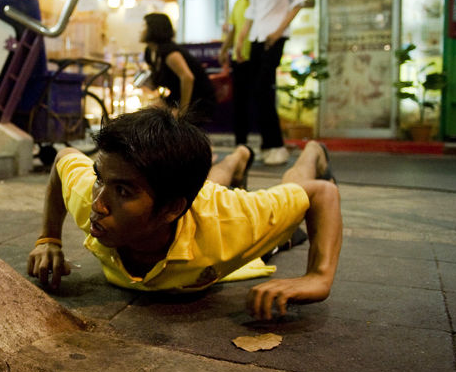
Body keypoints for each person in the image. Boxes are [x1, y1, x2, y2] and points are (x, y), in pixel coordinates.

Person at [27, 107, 341, 321]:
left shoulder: (234, 220)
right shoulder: (94, 193)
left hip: (210, 213)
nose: (98, 204)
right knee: (200, 185)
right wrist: (49, 238)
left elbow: (321, 194)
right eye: (99, 179)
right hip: (187, 201)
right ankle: (239, 158)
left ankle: (313, 151)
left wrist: (318, 276)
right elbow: (64, 159)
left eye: (123, 191)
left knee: (294, 186)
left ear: (172, 208)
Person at [234, 0, 308, 166]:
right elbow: (253, 11)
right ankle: (269, 145)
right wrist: (240, 40)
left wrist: (278, 31)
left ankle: (276, 145)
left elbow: (298, 0)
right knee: (257, 93)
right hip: (256, 37)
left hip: (276, 36)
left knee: (263, 89)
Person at [140, 12, 216, 126]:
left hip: (197, 101)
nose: (140, 30)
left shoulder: (169, 52)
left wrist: (182, 112)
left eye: (144, 26)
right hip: (176, 98)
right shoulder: (150, 52)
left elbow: (187, 78)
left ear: (153, 29)